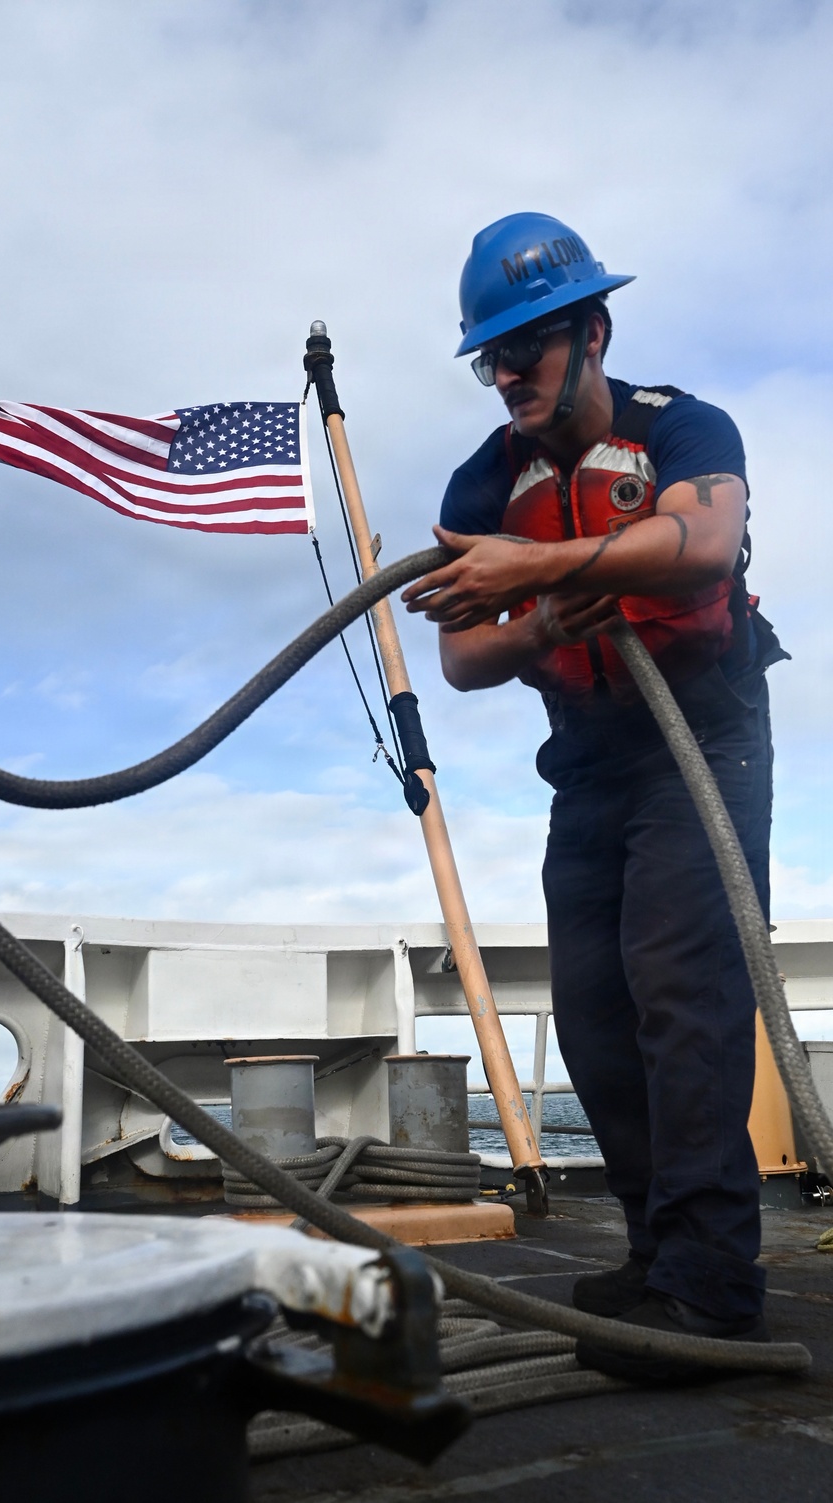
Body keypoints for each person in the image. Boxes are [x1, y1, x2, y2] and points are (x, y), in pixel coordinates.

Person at [402, 212, 788, 1383]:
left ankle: (714, 1283)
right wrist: (536, 625)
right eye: (491, 354)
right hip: (589, 754)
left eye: (529, 345)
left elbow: (706, 544)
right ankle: (653, 1253)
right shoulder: (484, 479)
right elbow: (466, 657)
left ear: (593, 331)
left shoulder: (683, 427)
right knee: (594, 1015)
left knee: (682, 993)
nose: (508, 372)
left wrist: (540, 570)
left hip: (703, 740)